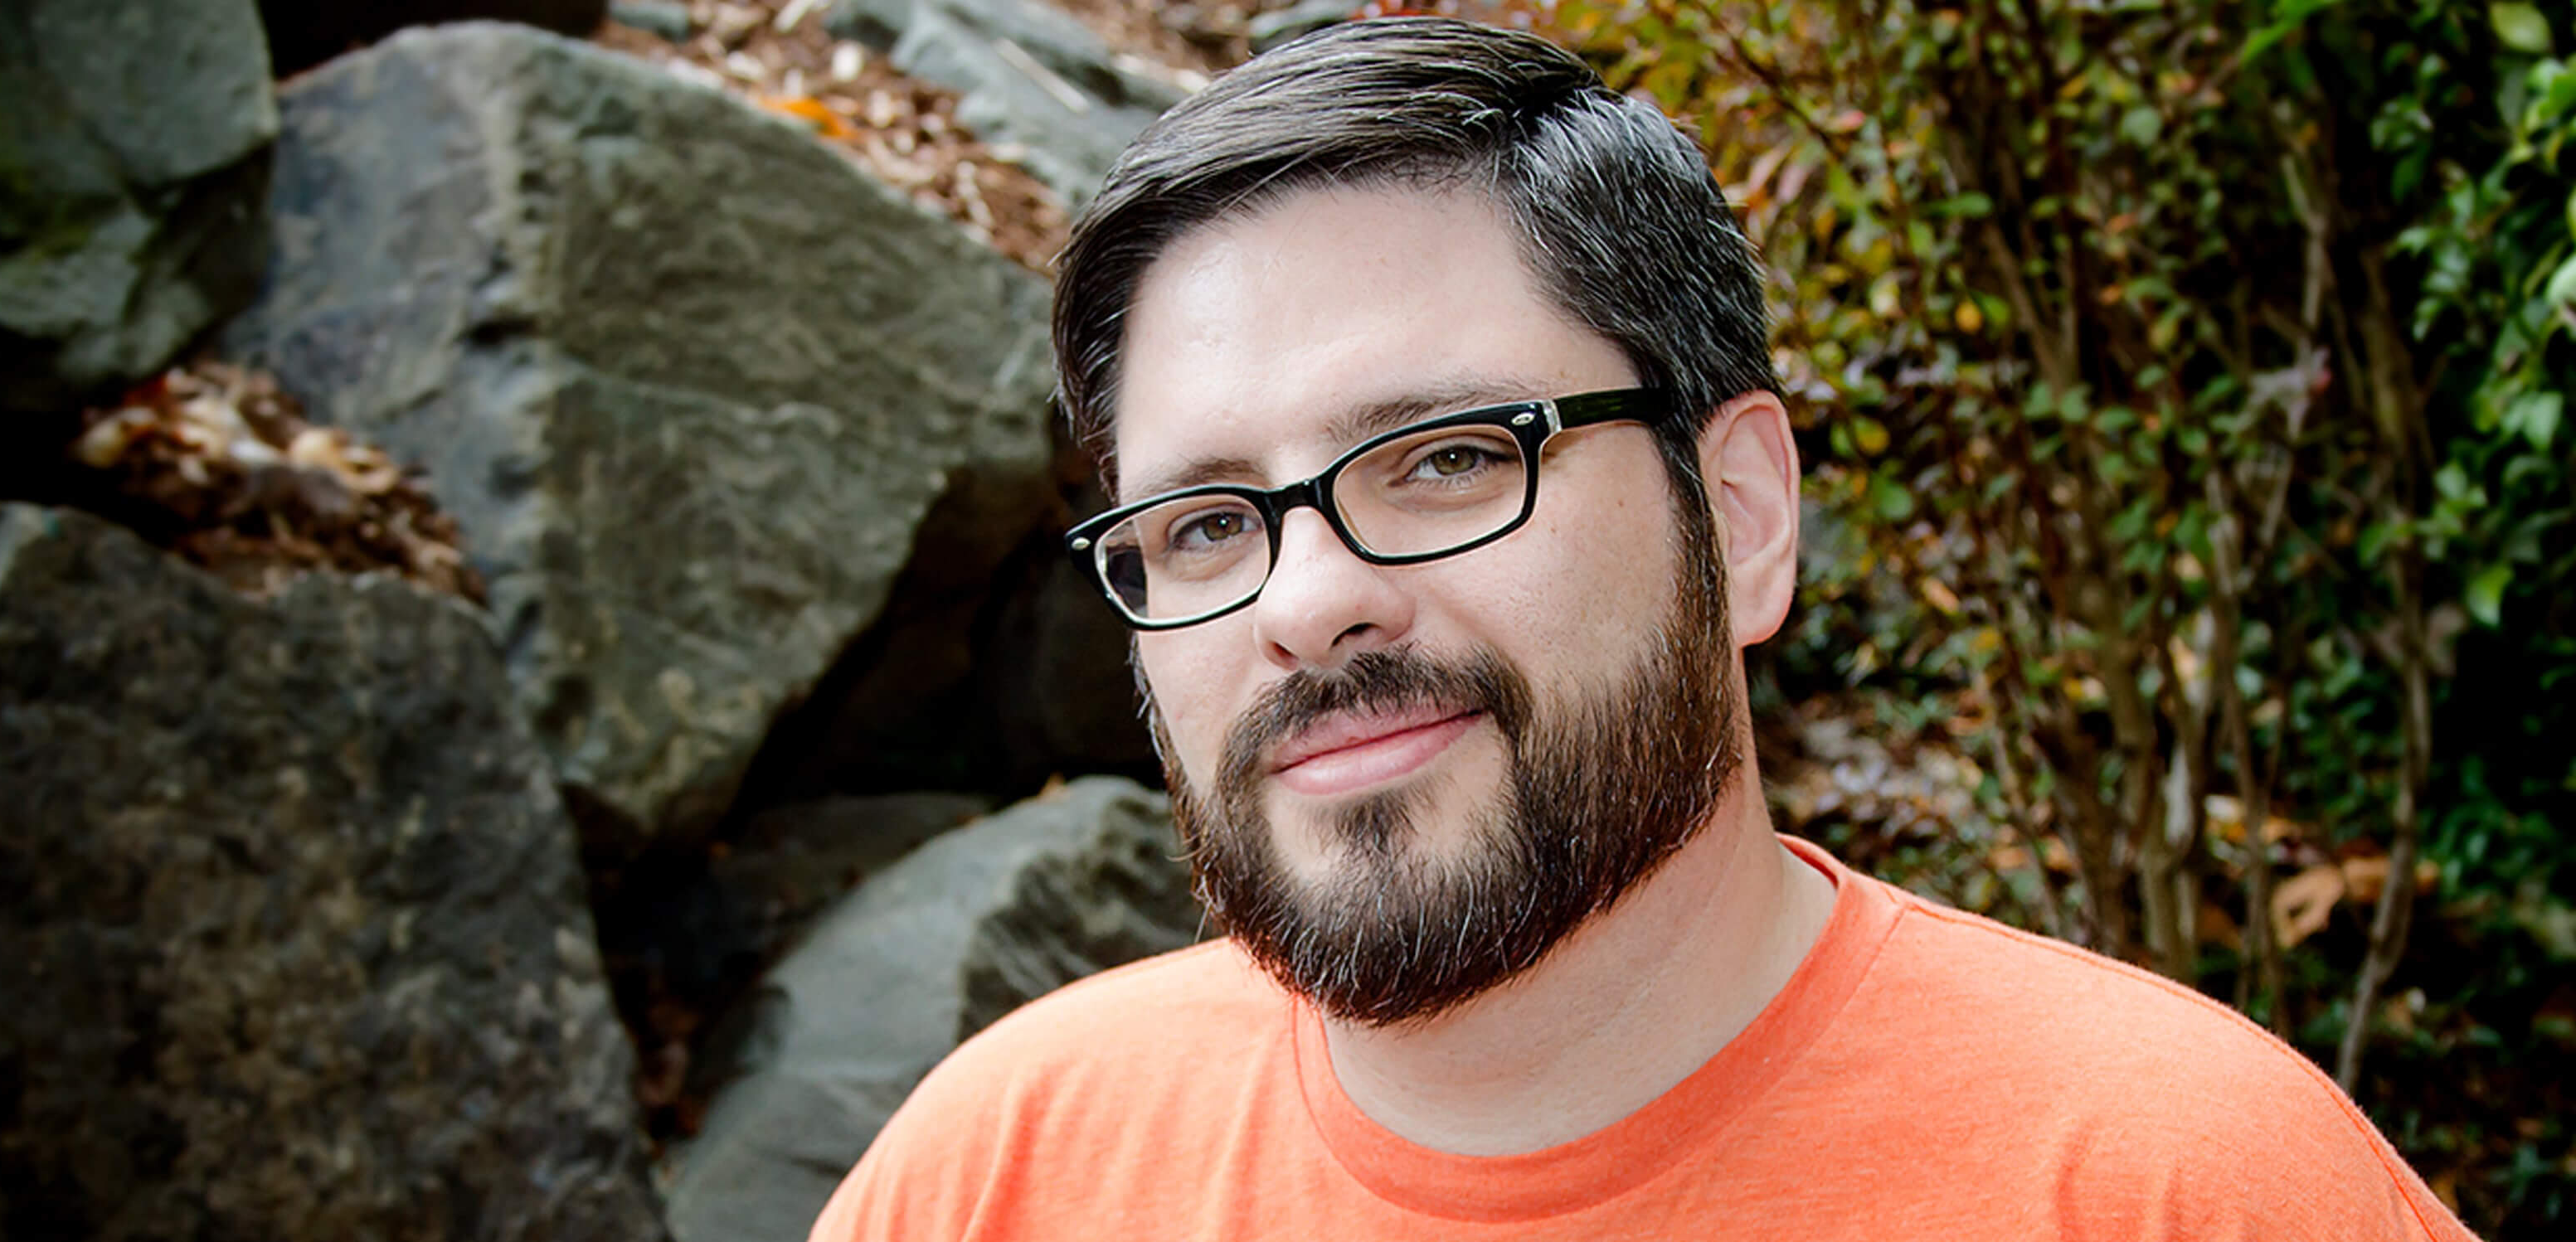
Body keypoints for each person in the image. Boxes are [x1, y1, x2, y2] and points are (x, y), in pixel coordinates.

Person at [809, 17, 2476, 1240]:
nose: (1308, 600)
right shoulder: (1002, 1171)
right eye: (1203, 524)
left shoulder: (2180, 1184)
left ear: (1740, 512)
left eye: (1448, 458)